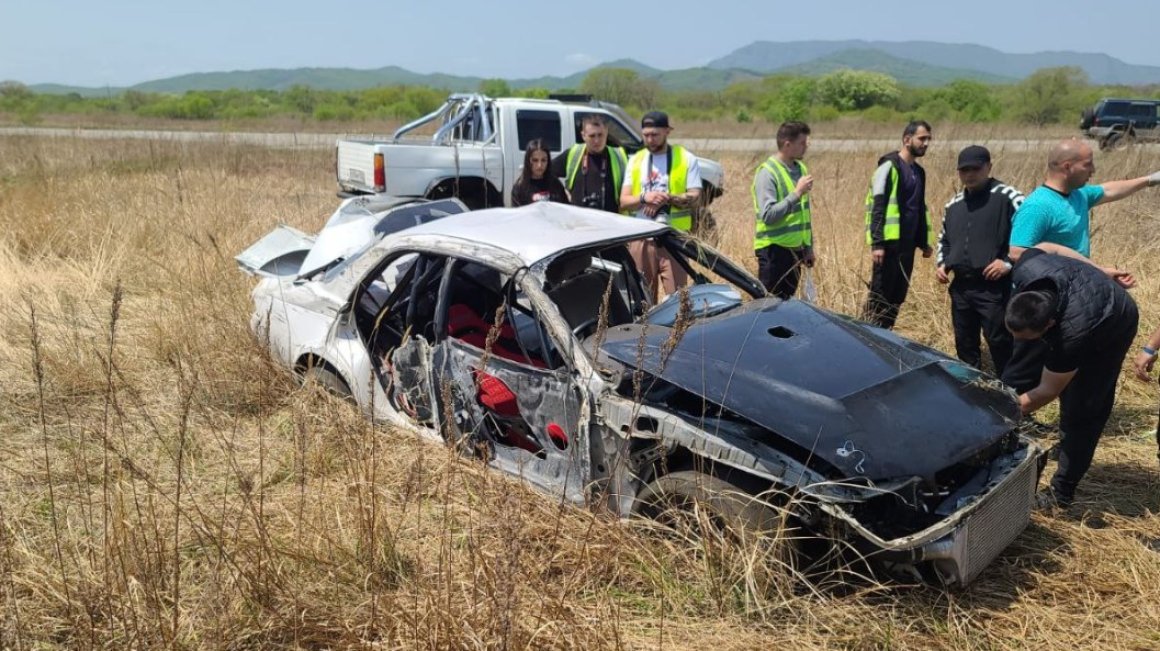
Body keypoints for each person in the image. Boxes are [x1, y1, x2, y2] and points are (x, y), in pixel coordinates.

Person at [1001, 139, 1159, 392]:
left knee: (1063, 364)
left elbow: (1109, 190)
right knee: (1024, 370)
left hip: (1072, 299)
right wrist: (1095, 271)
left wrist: (1151, 179)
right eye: (1088, 164)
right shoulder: (1038, 206)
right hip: (1042, 301)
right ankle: (1003, 423)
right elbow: (1019, 252)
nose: (1093, 169)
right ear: (1067, 166)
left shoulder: (1078, 196)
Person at [1005, 248, 1139, 507]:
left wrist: (1001, 413)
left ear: (1049, 326)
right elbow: (1047, 245)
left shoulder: (1072, 336)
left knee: (1083, 409)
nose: (1015, 340)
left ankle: (1061, 493)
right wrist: (1099, 268)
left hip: (1114, 321)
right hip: (1078, 292)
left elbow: (1046, 391)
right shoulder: (1028, 269)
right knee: (1020, 372)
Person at [934, 145, 1023, 376]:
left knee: (1000, 342)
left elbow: (1028, 236)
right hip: (961, 286)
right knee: (964, 341)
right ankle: (970, 390)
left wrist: (1007, 263)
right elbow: (944, 239)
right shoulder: (953, 204)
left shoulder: (1009, 197)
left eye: (975, 168)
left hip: (994, 288)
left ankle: (1011, 394)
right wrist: (942, 263)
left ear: (989, 167)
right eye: (964, 170)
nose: (970, 174)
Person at [618, 111, 702, 303]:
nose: (650, 139)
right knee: (644, 302)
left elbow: (696, 197)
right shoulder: (636, 160)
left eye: (655, 134)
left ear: (667, 131)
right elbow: (623, 201)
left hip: (674, 239)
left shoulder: (685, 158)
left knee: (679, 302)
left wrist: (668, 198)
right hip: (641, 239)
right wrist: (645, 197)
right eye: (646, 135)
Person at [862, 120, 934, 329]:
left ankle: (887, 338)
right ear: (906, 139)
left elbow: (918, 207)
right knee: (880, 296)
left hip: (907, 246)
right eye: (922, 138)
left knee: (897, 296)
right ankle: (868, 336)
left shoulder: (919, 172)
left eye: (928, 139)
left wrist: (924, 242)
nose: (926, 143)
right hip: (888, 245)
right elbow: (878, 206)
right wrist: (878, 244)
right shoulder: (889, 166)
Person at [752, 121, 815, 299]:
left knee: (786, 308)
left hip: (795, 251)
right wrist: (797, 193)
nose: (806, 147)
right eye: (802, 143)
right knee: (767, 307)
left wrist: (808, 247)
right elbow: (768, 215)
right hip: (773, 252)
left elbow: (804, 213)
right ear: (787, 144)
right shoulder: (767, 173)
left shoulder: (800, 168)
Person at [551, 114, 627, 213]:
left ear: (606, 132)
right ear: (583, 135)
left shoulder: (619, 156)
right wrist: (562, 192)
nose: (597, 140)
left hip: (610, 222)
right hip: (578, 222)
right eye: (592, 136)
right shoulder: (574, 153)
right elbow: (545, 172)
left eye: (600, 135)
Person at [510, 139, 568, 207]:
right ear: (528, 161)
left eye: (543, 160)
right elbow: (517, 214)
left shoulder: (555, 184)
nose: (539, 165)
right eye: (535, 160)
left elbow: (564, 210)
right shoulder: (520, 187)